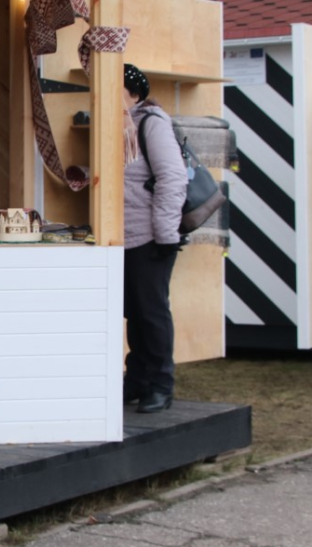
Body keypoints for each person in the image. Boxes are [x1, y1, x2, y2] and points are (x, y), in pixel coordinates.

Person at [121, 63, 187, 414]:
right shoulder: (117, 125)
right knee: (134, 312)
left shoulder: (151, 123)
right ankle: (138, 379)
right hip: (124, 235)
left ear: (133, 94)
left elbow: (172, 177)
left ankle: (161, 384)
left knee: (151, 312)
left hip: (151, 235)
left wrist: (165, 234)